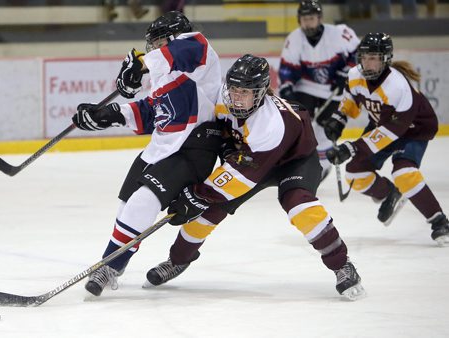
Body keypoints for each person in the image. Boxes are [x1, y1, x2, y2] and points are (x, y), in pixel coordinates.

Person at [144, 54, 366, 301]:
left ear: (260, 93)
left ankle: (342, 265)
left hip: (294, 161)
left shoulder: (269, 124)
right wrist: (225, 150)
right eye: (234, 89)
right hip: (252, 159)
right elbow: (221, 134)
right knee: (208, 210)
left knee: (299, 205)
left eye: (245, 92)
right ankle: (177, 260)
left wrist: (198, 195)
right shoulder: (221, 100)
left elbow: (242, 174)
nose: (237, 96)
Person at [71, 11, 223, 297]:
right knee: (127, 207)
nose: (153, 49)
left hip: (194, 148)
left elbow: (180, 51)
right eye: (150, 45)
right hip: (161, 148)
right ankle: (117, 263)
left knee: (144, 202)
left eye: (157, 43)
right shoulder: (164, 76)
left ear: (175, 36)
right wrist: (108, 115)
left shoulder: (198, 51)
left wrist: (140, 64)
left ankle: (109, 264)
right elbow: (152, 112)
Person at [324, 32, 449, 245]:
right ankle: (391, 193)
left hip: (413, 129)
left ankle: (439, 221)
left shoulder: (396, 86)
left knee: (404, 172)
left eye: (373, 58)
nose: (367, 63)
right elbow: (350, 102)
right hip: (383, 124)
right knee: (354, 174)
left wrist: (351, 148)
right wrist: (338, 120)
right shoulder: (355, 75)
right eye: (364, 57)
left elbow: (389, 133)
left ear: (385, 59)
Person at [278, 0, 360, 180]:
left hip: (335, 91)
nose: (308, 23)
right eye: (304, 19)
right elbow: (286, 69)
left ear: (320, 18)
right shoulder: (294, 39)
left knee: (324, 129)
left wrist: (345, 73)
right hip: (306, 88)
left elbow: (359, 53)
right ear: (299, 20)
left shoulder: (340, 33)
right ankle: (295, 162)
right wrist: (286, 89)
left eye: (312, 18)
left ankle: (322, 167)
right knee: (296, 125)